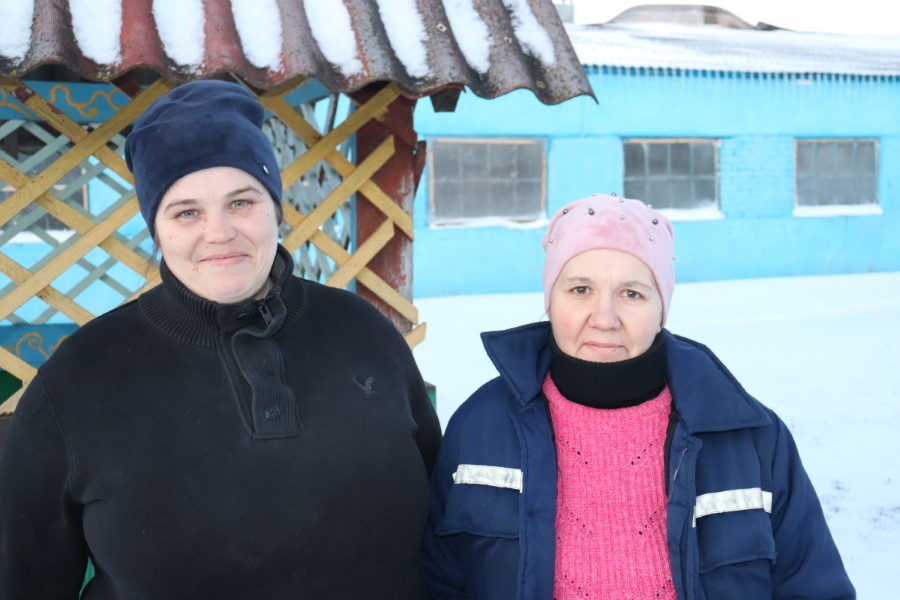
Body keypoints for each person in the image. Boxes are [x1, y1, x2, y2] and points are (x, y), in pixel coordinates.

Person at [0, 80, 441, 599]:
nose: (219, 232)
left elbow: (445, 531)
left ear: (275, 208)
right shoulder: (80, 378)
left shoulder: (364, 333)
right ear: (157, 229)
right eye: (187, 211)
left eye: (241, 202)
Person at [422, 194, 854, 599]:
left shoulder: (749, 437)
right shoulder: (481, 427)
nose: (604, 318)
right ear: (550, 300)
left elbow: (814, 587)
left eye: (631, 293)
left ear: (662, 308)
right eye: (580, 289)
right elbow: (439, 583)